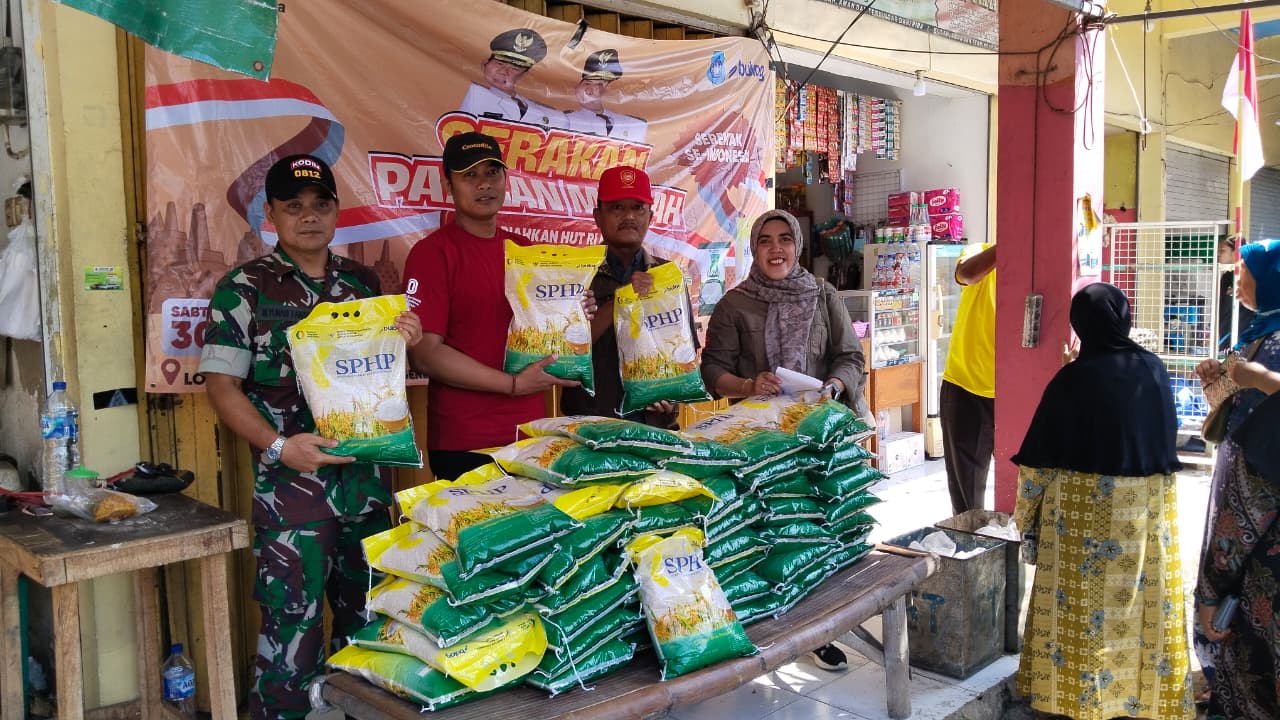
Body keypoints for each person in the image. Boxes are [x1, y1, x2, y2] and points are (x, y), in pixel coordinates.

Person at [199, 154, 423, 719]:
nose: (309, 216)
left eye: (321, 204)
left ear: (336, 211)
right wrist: (280, 447)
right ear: (271, 214)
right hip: (292, 500)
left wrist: (406, 339)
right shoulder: (243, 289)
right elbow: (223, 388)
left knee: (371, 632)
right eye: (293, 206)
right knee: (289, 644)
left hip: (365, 492)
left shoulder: (363, 284)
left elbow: (380, 376)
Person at [1011, 283, 1192, 720]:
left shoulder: (1071, 379)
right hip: (1143, 519)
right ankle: (1138, 700)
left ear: (1079, 326)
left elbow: (1037, 463)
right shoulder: (1153, 370)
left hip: (1079, 522)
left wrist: (1025, 518)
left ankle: (1079, 701)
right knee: (1137, 606)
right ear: (1124, 320)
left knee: (1082, 612)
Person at [700, 208, 867, 671]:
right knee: (772, 534)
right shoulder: (735, 304)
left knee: (820, 527)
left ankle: (822, 628)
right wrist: (748, 385)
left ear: (797, 245)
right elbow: (712, 371)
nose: (776, 249)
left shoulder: (823, 294)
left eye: (784, 239)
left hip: (818, 435)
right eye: (765, 240)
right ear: (754, 249)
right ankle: (771, 626)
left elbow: (851, 357)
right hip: (760, 443)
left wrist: (834, 385)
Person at [404, 131, 591, 480]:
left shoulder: (525, 250)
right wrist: (512, 384)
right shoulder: (432, 254)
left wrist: (575, 312)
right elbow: (425, 354)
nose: (484, 184)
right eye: (469, 175)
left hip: (531, 435)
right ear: (448, 186)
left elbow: (547, 331)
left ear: (506, 179)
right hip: (466, 441)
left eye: (492, 172)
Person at [1193, 237, 1280, 708]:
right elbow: (1231, 420)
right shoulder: (1257, 336)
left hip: (1262, 540)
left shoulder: (1273, 347)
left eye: (1245, 273)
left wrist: (1213, 586)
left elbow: (1255, 478)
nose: (1237, 282)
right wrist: (1218, 387)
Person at [559, 166, 691, 425]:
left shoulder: (669, 276)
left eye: (638, 208)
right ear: (598, 216)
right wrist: (623, 298)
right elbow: (563, 354)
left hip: (655, 428)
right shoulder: (575, 275)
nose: (629, 216)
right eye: (617, 208)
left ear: (650, 216)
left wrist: (672, 397)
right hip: (592, 429)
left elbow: (683, 354)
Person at [939, 243, 996, 515]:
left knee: (1021, 483)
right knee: (967, 493)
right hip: (965, 385)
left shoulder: (1039, 267)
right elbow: (967, 274)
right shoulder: (979, 251)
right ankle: (969, 537)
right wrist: (1009, 245)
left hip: (1014, 393)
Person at [459, 28, 565, 129]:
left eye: (515, 68)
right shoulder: (463, 89)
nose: (503, 72)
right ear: (485, 63)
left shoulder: (538, 109)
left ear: (523, 75)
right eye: (499, 63)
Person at [563, 49, 648, 143]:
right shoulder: (566, 120)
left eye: (600, 85)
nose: (593, 89)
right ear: (577, 87)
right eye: (587, 83)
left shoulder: (633, 124)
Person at [1217, 236, 1255, 351]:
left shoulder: (1249, 276)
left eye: (1223, 251)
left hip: (1240, 340)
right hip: (1225, 338)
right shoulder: (1228, 276)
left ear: (1236, 253)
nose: (1218, 254)